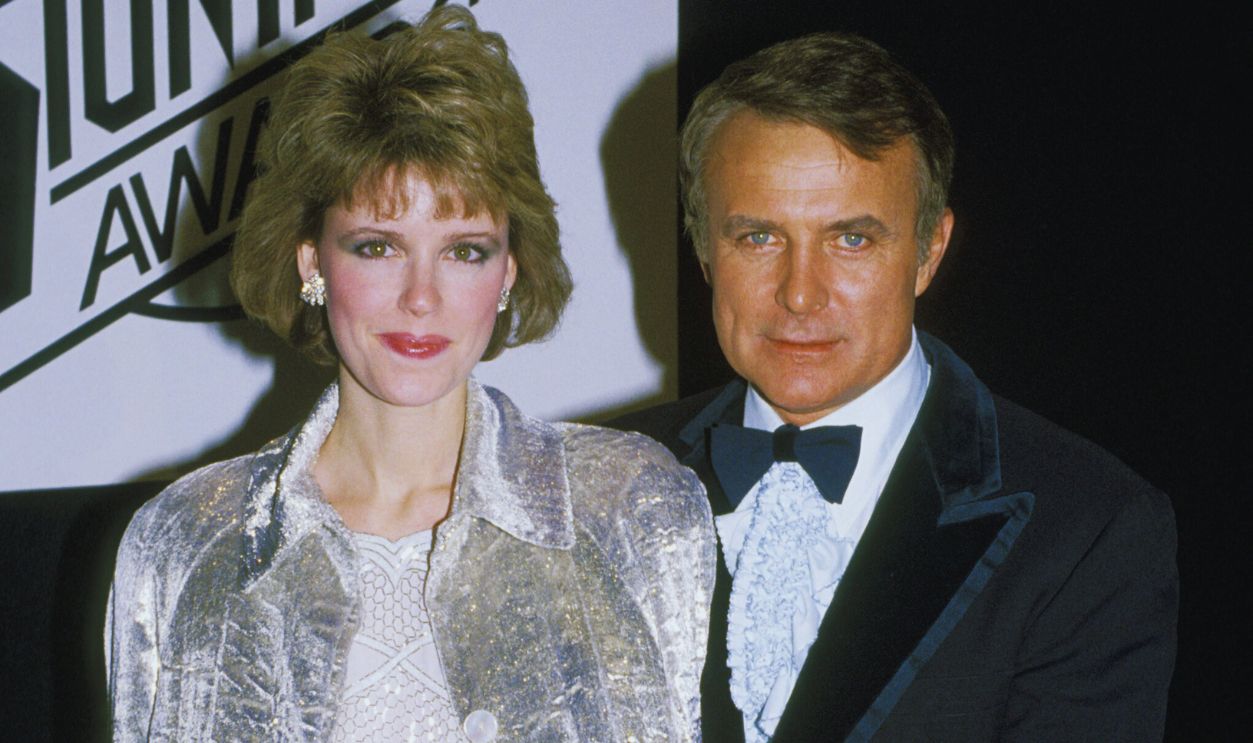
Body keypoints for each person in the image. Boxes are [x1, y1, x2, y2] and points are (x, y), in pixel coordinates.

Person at [105, 7, 714, 742]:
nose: (421, 297)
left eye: (464, 251)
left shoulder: (626, 510)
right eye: (378, 247)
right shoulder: (188, 541)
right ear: (311, 261)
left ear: (508, 271)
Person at [611, 31, 1177, 742]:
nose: (799, 294)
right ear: (703, 247)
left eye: (851, 239)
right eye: (758, 238)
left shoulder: (1087, 529)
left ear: (928, 250)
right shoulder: (594, 482)